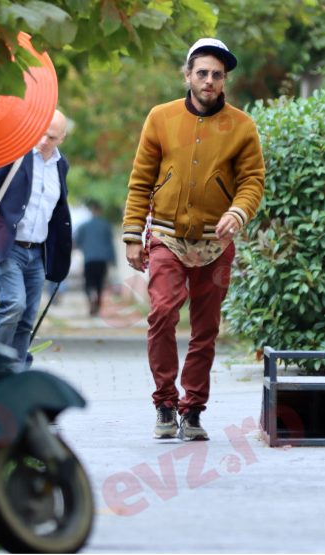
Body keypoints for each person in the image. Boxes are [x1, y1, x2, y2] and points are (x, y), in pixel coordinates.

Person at [122, 38, 265, 441]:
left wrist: (237, 212)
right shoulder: (161, 118)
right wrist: (134, 235)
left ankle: (194, 409)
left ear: (224, 82)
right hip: (167, 236)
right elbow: (141, 179)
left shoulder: (241, 126)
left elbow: (253, 180)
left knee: (206, 329)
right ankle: (165, 403)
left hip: (216, 243)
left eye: (217, 75)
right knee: (162, 313)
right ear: (187, 76)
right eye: (201, 73)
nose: (209, 81)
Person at [0, 109, 72, 364]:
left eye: (51, 137)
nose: (44, 140)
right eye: (41, 132)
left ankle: (15, 375)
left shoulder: (61, 165)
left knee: (28, 316)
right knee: (13, 303)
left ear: (61, 138)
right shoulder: (15, 155)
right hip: (7, 247)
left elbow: (57, 212)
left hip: (36, 252)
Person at [75, 200, 117, 316]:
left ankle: (90, 299)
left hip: (89, 259)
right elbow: (110, 244)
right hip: (102, 259)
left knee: (88, 283)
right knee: (99, 283)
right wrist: (113, 261)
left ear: (91, 211)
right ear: (100, 211)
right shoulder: (106, 225)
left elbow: (78, 243)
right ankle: (97, 303)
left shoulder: (83, 226)